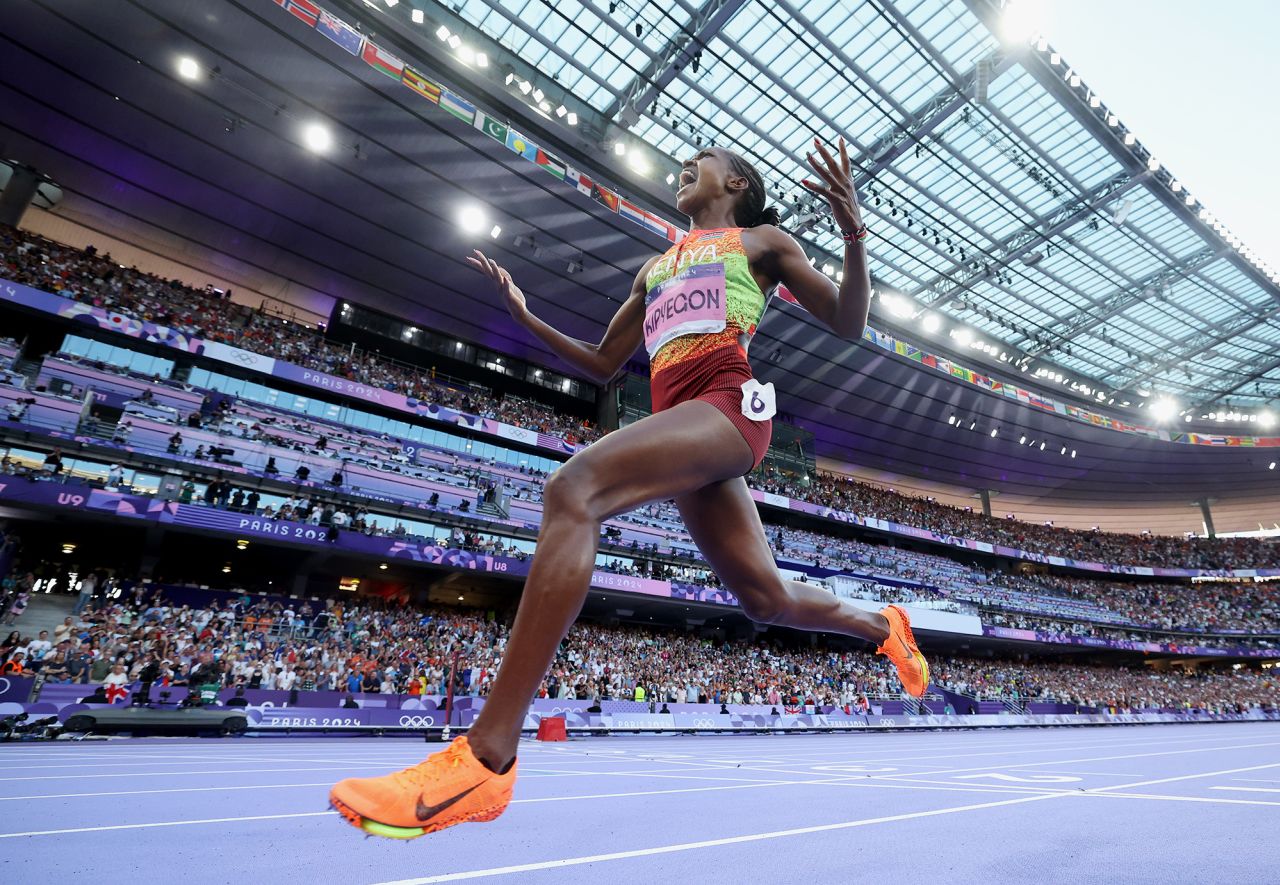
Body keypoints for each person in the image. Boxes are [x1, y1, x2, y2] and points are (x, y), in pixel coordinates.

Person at [329, 140, 928, 839]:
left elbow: (850, 320)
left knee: (573, 488)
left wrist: (853, 231)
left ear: (735, 181)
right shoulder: (655, 268)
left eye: (702, 158)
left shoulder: (762, 240)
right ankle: (884, 624)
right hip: (682, 420)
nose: (685, 163)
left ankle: (487, 757)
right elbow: (603, 361)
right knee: (767, 598)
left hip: (728, 405)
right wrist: (523, 314)